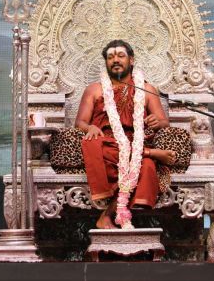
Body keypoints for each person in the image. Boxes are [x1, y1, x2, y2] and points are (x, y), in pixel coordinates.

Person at [76, 40, 177, 229]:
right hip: (106, 143)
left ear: (131, 60)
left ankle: (107, 216)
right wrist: (89, 128)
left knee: (146, 166)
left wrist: (157, 122)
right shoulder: (94, 89)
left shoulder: (146, 89)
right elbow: (80, 122)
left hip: (135, 142)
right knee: (104, 148)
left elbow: (164, 122)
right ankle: (151, 153)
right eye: (110, 57)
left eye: (120, 56)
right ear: (106, 62)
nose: (115, 60)